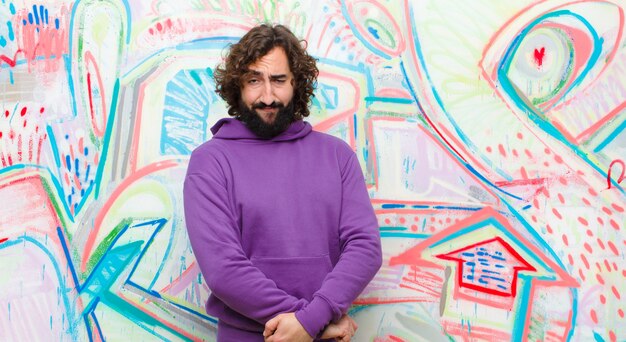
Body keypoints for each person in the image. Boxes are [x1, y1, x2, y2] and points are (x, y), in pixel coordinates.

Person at [183, 23, 382, 341]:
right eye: (253, 81)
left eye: (278, 81)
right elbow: (223, 269)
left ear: (296, 84)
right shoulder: (211, 161)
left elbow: (365, 248)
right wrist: (314, 321)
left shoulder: (337, 156)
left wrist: (310, 320)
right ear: (238, 87)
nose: (267, 96)